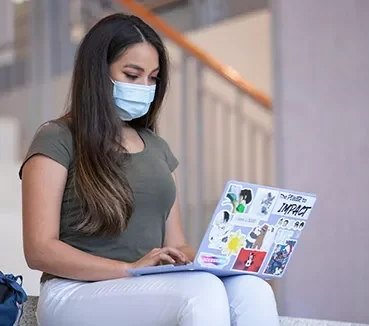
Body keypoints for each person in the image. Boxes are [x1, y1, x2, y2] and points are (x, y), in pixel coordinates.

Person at [20, 13, 279, 326]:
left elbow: (176, 243)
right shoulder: (57, 137)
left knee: (253, 289)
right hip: (75, 291)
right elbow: (39, 250)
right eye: (132, 75)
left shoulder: (156, 146)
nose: (145, 87)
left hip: (143, 284)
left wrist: (214, 259)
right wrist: (130, 269)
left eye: (153, 78)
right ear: (97, 74)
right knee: (202, 291)